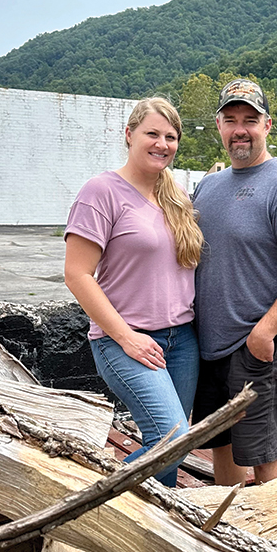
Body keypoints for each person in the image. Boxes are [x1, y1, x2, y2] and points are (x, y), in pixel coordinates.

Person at [192, 79, 277, 493]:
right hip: (208, 348)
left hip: (256, 350)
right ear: (218, 126)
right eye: (230, 120)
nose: (240, 129)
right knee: (222, 446)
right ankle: (234, 532)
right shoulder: (208, 187)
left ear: (267, 125)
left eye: (250, 119)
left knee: (265, 456)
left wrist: (264, 332)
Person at [63, 97, 203, 488]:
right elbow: (77, 274)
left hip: (182, 339)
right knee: (171, 440)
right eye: (152, 133)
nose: (162, 143)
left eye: (171, 137)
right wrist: (126, 338)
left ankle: (156, 531)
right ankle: (81, 496)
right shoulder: (101, 191)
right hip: (124, 340)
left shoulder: (177, 197)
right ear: (129, 135)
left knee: (172, 446)